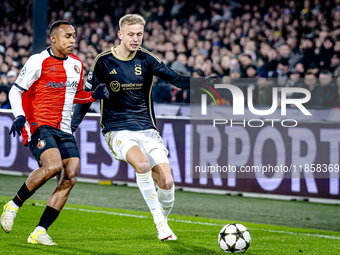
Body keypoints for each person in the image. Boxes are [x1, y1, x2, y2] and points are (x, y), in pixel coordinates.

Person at [71, 14, 217, 241]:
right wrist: (71, 129)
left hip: (147, 129)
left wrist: (203, 82)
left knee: (167, 183)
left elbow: (176, 79)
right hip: (117, 129)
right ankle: (161, 225)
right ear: (120, 34)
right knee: (142, 164)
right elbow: (86, 97)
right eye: (131, 34)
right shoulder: (103, 61)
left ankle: (163, 221)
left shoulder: (148, 59)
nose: (136, 38)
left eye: (139, 34)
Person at [1, 20, 109, 245]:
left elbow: (76, 95)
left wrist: (93, 95)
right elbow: (16, 90)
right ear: (54, 38)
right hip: (39, 124)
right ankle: (13, 205)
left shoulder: (77, 64)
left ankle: (39, 231)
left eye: (74, 36)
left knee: (70, 176)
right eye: (68, 36)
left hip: (65, 128)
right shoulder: (38, 61)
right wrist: (19, 115)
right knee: (53, 166)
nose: (72, 40)